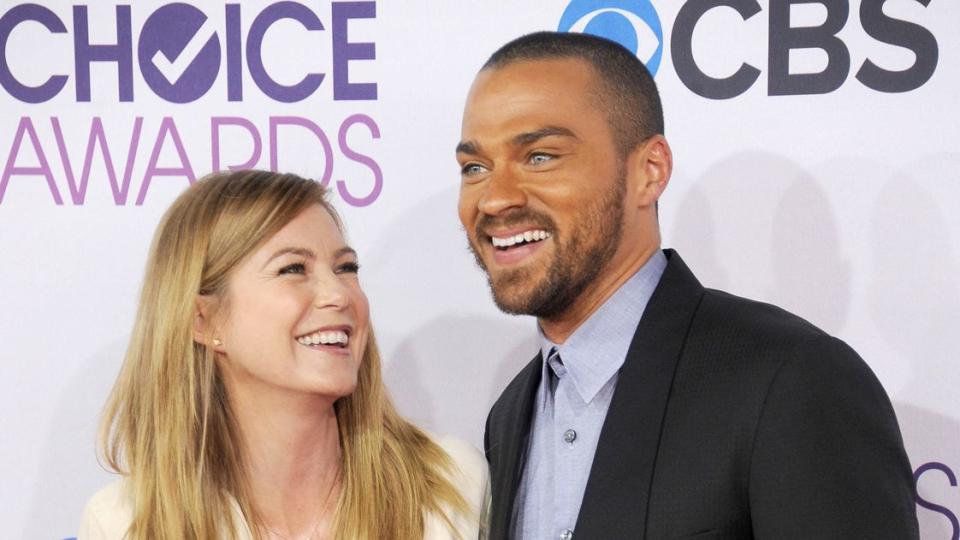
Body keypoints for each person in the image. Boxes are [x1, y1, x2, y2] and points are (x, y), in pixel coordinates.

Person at [456, 32, 918, 540]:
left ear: (648, 172)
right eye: (475, 167)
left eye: (540, 156)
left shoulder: (791, 380)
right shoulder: (509, 415)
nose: (495, 199)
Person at [79, 170, 487, 539]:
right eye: (293, 269)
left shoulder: (450, 488)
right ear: (203, 321)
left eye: (346, 268)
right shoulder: (125, 523)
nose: (339, 295)